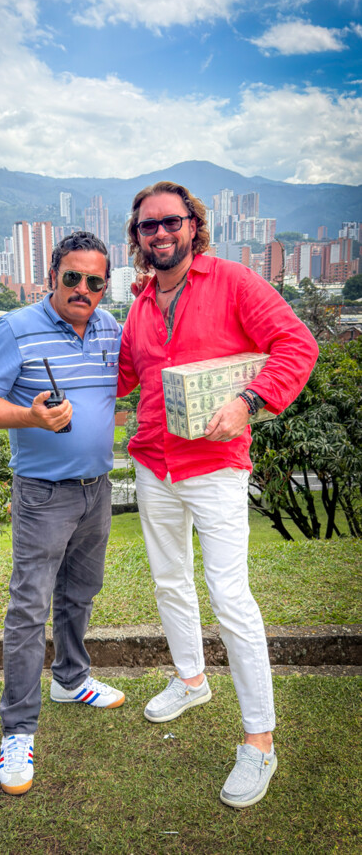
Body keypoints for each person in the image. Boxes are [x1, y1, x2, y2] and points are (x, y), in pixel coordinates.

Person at [118, 181, 319, 809]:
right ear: (137, 236)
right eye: (148, 225)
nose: (160, 233)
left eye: (171, 221)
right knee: (169, 581)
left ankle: (260, 741)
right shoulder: (141, 301)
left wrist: (249, 401)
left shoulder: (232, 281)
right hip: (153, 462)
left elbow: (298, 345)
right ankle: (191, 679)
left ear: (193, 226)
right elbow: (124, 375)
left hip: (215, 466)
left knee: (230, 597)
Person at [0, 231, 124, 796]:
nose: (83, 289)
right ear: (52, 275)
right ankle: (17, 729)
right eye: (72, 277)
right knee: (29, 609)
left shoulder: (109, 327)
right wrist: (31, 418)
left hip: (97, 489)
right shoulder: (15, 328)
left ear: (106, 285)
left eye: (95, 281)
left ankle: (71, 679)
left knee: (80, 593)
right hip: (42, 494)